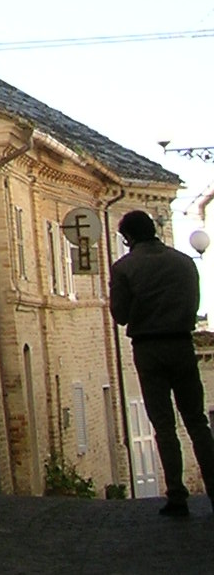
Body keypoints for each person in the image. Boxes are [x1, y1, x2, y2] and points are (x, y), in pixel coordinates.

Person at [109, 208, 214, 516]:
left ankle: (177, 495)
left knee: (164, 425)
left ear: (127, 237)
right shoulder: (184, 263)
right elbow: (194, 304)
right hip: (182, 343)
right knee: (197, 421)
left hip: (148, 347)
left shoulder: (125, 268)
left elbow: (120, 314)